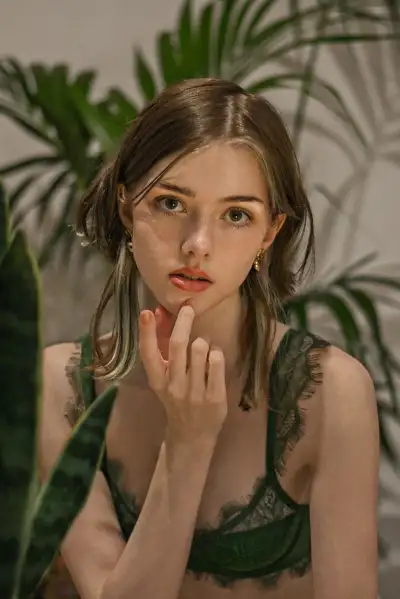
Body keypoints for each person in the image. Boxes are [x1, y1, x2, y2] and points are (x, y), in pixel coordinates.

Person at [40, 78, 379, 599]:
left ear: (270, 233)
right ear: (127, 207)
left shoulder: (330, 392)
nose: (197, 245)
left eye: (236, 215)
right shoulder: (59, 386)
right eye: (171, 204)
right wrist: (189, 441)